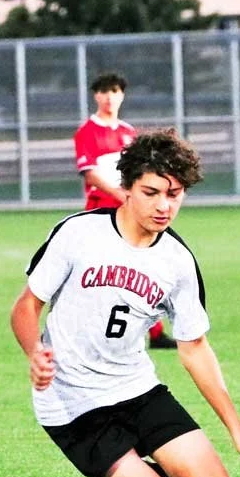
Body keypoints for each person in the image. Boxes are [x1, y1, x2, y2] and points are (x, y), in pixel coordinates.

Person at [13, 128, 240, 477]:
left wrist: (238, 430)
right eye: (152, 192)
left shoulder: (176, 261)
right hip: (71, 406)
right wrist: (34, 350)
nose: (163, 206)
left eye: (174, 195)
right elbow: (26, 306)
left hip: (136, 388)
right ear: (126, 187)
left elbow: (194, 348)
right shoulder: (78, 234)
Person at [73, 71, 176, 349]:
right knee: (100, 270)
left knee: (141, 265)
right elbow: (90, 173)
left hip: (130, 209)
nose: (109, 97)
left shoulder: (128, 132)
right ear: (96, 96)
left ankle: (154, 333)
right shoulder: (87, 132)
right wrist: (122, 195)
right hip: (102, 208)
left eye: (115, 91)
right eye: (104, 91)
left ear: (122, 95)